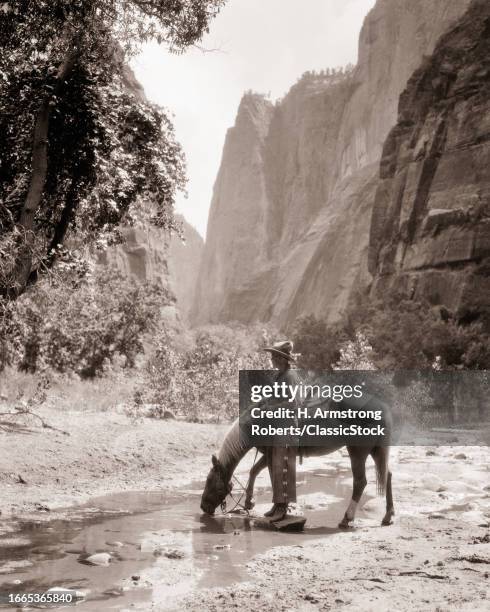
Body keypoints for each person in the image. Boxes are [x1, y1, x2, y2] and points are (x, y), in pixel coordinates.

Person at [262, 340, 300, 522]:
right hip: (277, 425)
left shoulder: (290, 377)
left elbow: (294, 403)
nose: (272, 359)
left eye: (275, 356)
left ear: (284, 360)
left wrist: (272, 409)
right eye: (272, 356)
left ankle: (283, 507)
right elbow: (276, 399)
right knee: (273, 464)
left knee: (282, 465)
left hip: (287, 426)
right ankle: (277, 503)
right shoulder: (279, 376)